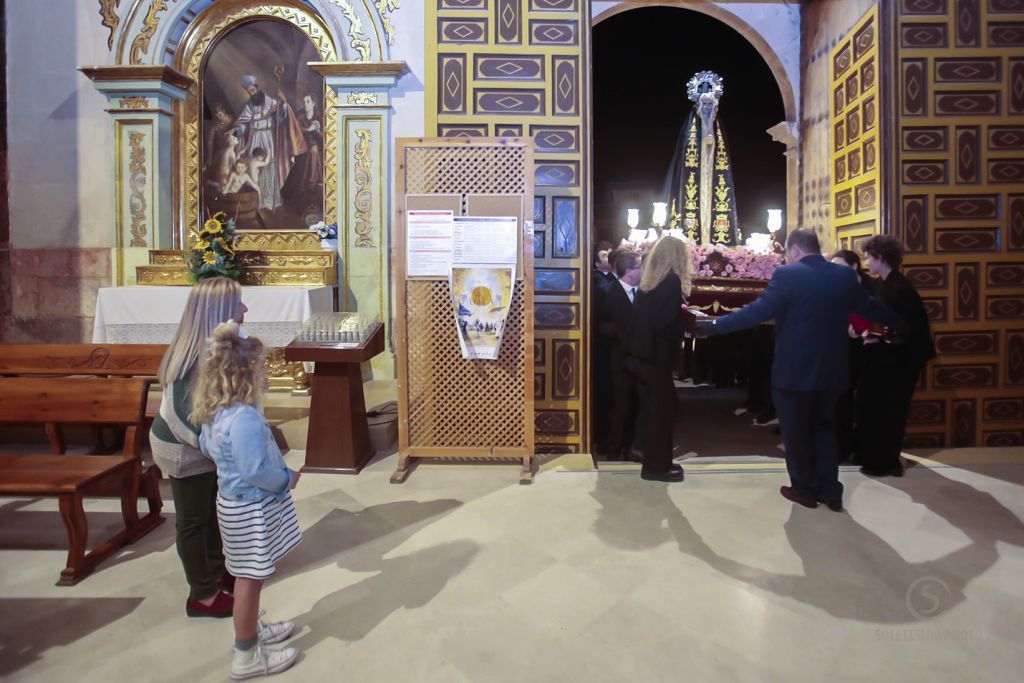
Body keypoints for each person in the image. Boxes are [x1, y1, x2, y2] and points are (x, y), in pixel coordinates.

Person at [696, 229, 907, 510]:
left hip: (794, 372)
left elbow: (757, 313)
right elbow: (871, 307)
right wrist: (902, 326)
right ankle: (831, 490)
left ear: (793, 249)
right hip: (832, 370)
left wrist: (712, 327)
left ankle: (804, 489)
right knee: (824, 429)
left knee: (795, 433)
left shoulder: (787, 275)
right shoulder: (843, 275)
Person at [193, 322, 302, 680]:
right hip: (251, 507)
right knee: (249, 580)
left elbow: (208, 449)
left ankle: (252, 629)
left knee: (246, 576)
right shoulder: (244, 421)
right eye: (262, 366)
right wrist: (287, 477)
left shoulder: (217, 412)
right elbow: (256, 471)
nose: (267, 371)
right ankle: (247, 654)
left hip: (231, 503)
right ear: (243, 373)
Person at [151, 277, 247, 618]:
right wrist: (215, 448)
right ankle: (201, 595)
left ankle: (219, 571)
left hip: (204, 446)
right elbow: (180, 415)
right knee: (193, 520)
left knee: (212, 514)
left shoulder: (219, 346)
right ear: (219, 311)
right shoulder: (191, 354)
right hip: (181, 447)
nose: (245, 310)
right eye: (239, 305)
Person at [856, 234, 936, 477]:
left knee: (892, 410)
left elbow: (906, 328)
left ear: (880, 258)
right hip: (891, 357)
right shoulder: (886, 283)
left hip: (902, 361)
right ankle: (877, 458)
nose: (867, 262)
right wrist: (874, 333)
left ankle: (887, 462)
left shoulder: (901, 287)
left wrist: (878, 334)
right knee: (879, 408)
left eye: (869, 257)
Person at [628, 236, 692, 482]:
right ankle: (657, 467)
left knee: (654, 410)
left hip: (642, 356)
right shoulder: (671, 282)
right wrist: (684, 327)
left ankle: (653, 460)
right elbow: (664, 324)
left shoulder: (650, 282)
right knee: (662, 412)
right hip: (657, 359)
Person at [232, 74, 307, 210]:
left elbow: (281, 119)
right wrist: (237, 131)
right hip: (254, 137)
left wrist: (283, 104)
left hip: (267, 136)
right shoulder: (249, 106)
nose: (251, 93)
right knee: (255, 166)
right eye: (248, 92)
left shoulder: (272, 103)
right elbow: (243, 123)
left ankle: (270, 199)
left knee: (269, 165)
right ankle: (258, 199)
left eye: (252, 90)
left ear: (257, 87)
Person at [830, 249, 876, 462]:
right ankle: (841, 448)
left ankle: (863, 449)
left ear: (855, 266)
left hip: (870, 350)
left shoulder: (872, 287)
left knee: (867, 401)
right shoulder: (837, 287)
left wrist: (859, 329)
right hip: (843, 348)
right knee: (842, 399)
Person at [597, 248, 643, 461]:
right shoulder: (606, 291)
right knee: (618, 406)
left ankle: (630, 446)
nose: (643, 270)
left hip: (639, 359)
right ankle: (613, 447)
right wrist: (622, 334)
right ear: (630, 271)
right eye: (639, 266)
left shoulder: (643, 293)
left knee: (636, 404)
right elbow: (598, 324)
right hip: (616, 359)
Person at [590, 240, 615, 454]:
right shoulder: (598, 283)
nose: (609, 257)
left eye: (610, 253)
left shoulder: (613, 281)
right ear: (596, 263)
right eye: (604, 255)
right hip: (601, 344)